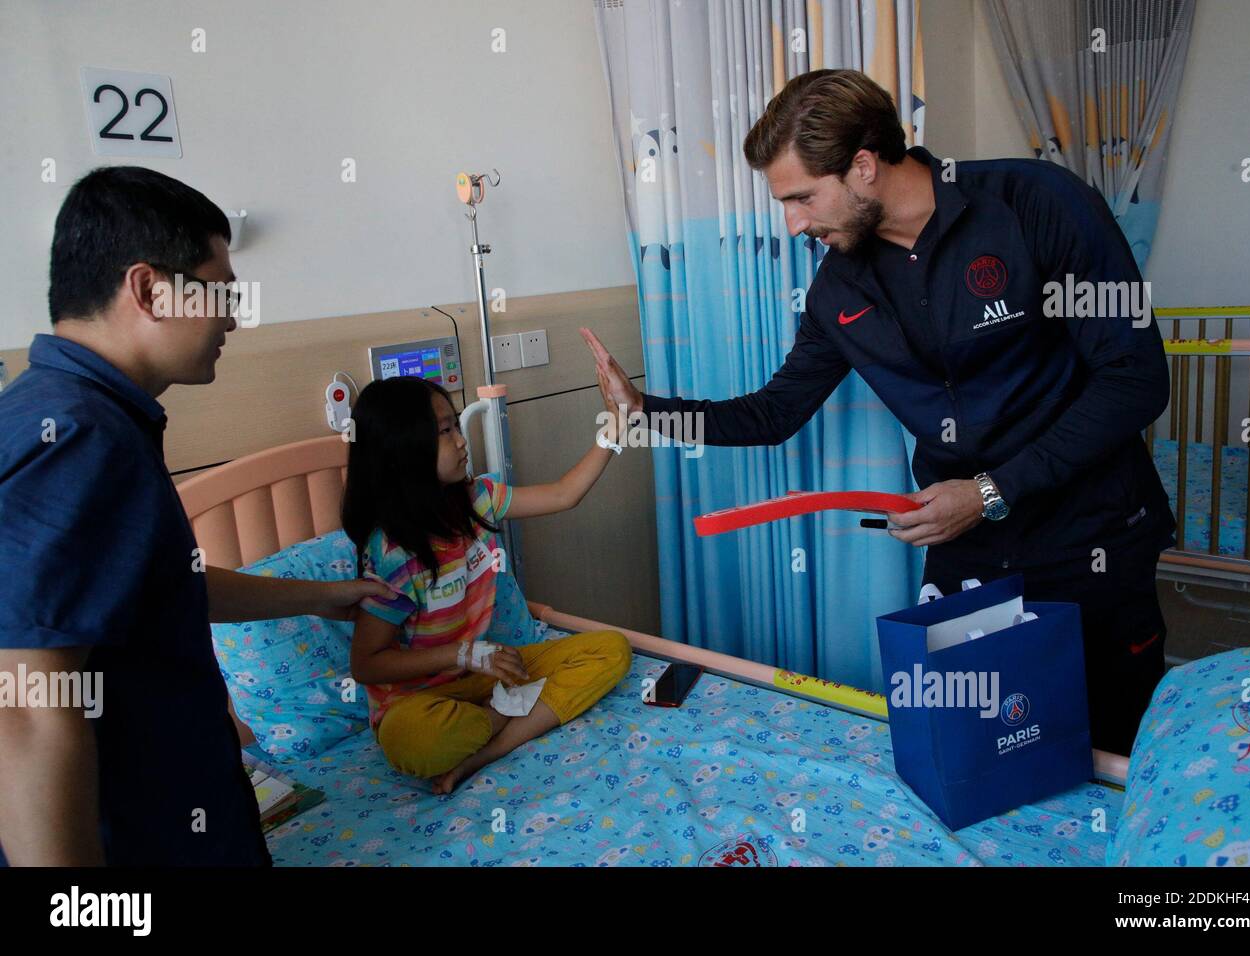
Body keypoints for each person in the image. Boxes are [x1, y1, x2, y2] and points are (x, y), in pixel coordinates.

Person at [583, 68, 1175, 755]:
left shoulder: (1034, 203)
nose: (794, 223)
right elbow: (773, 413)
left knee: (1111, 748)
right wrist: (647, 411)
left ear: (864, 165)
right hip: (969, 548)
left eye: (802, 197)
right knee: (976, 746)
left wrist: (990, 492)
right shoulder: (840, 288)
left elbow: (1136, 380)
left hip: (1091, 533)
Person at [0, 166, 390, 865]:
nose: (232, 318)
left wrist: (324, 595)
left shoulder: (65, 413)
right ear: (151, 290)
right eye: (220, 293)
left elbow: (154, 584)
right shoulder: (79, 438)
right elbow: (26, 707)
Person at [343, 376, 632, 794]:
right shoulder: (392, 553)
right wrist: (464, 654)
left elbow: (564, 494)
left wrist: (614, 429)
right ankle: (500, 715)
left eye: (457, 426)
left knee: (610, 650)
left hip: (482, 680)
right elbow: (366, 664)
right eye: (444, 431)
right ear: (402, 447)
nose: (461, 441)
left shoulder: (477, 499)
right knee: (418, 743)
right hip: (419, 703)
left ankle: (483, 751)